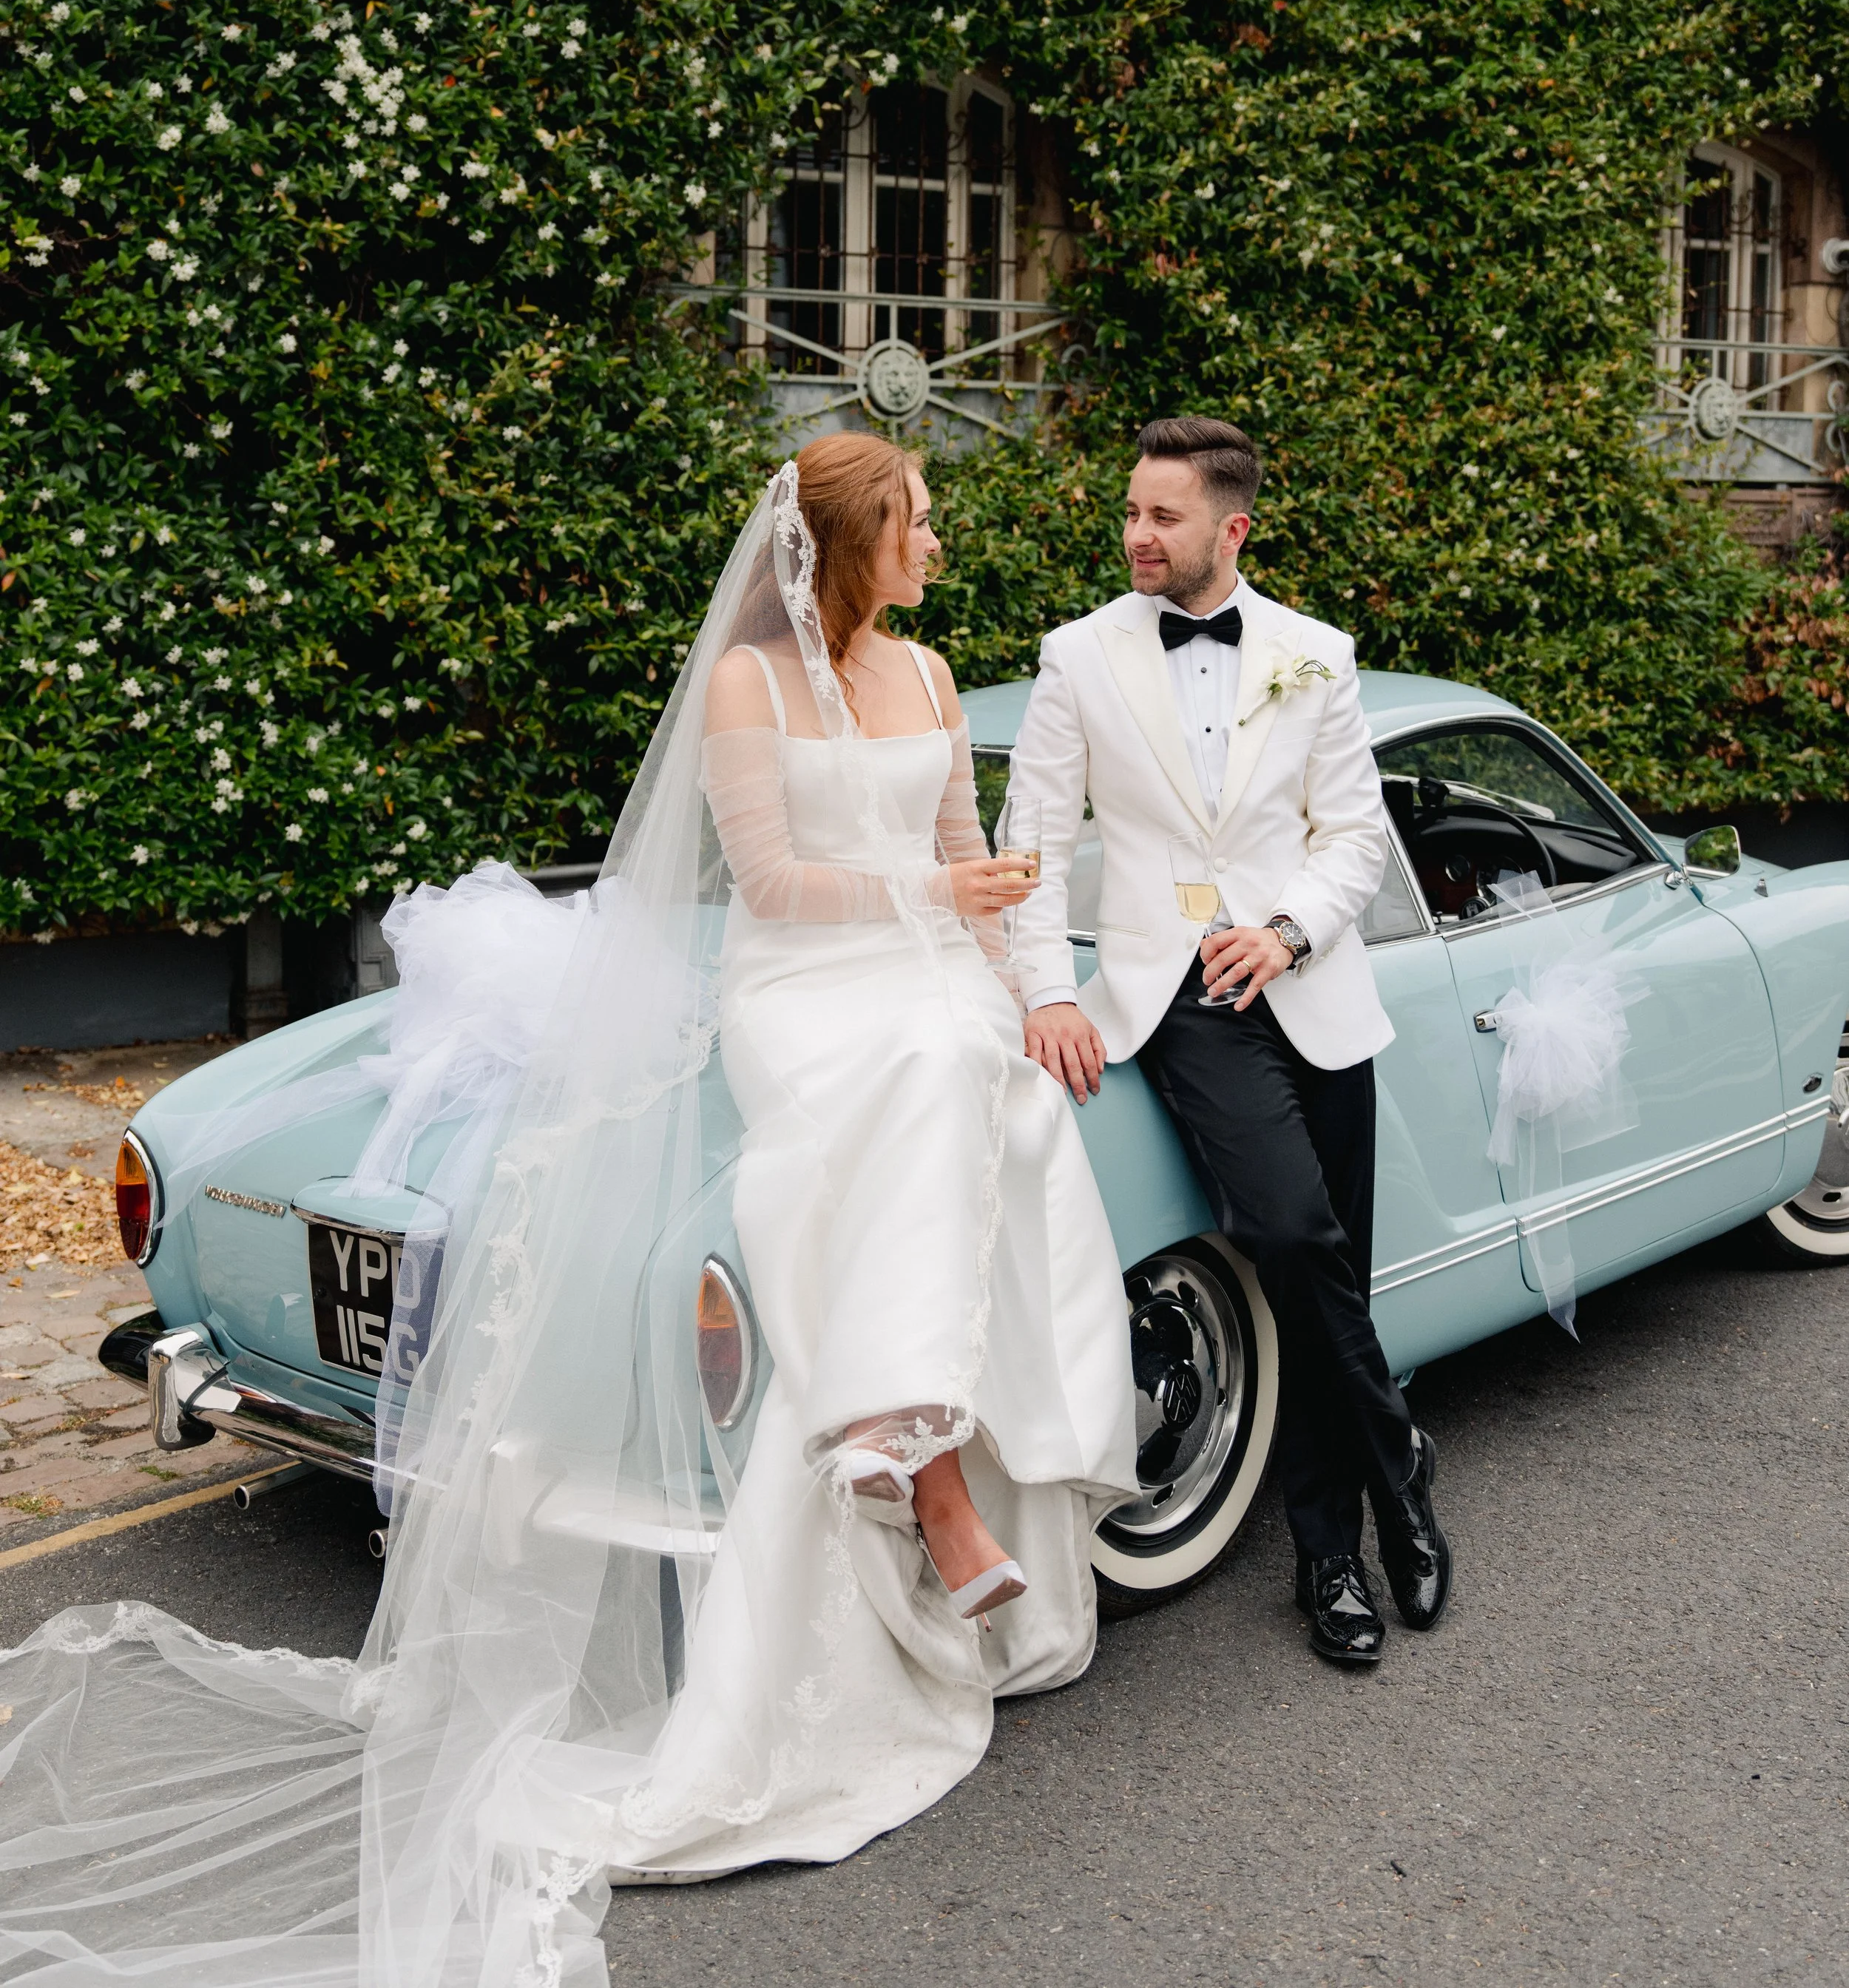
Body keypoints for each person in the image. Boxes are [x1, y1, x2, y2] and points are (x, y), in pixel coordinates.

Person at [0, 437, 1135, 1986]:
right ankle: (914, 1461)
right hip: (802, 986)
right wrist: (943, 913)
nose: (940, 541)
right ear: (851, 540)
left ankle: (904, 1442)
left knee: (983, 1063)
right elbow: (777, 885)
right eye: (920, 520)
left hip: (924, 969)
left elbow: (959, 856)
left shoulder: (933, 678)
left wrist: (1024, 975)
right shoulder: (747, 686)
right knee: (932, 1064)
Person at [1007, 414, 1451, 1668]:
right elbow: (1031, 841)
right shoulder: (1079, 656)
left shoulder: (1316, 654)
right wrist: (1047, 989)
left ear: (1231, 527)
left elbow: (1356, 840)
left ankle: (1336, 1550)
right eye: (1133, 513)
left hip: (1310, 986)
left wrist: (1291, 931)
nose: (1137, 535)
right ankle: (1397, 1457)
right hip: (1179, 998)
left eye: (1164, 516)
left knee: (1332, 1274)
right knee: (1293, 1235)